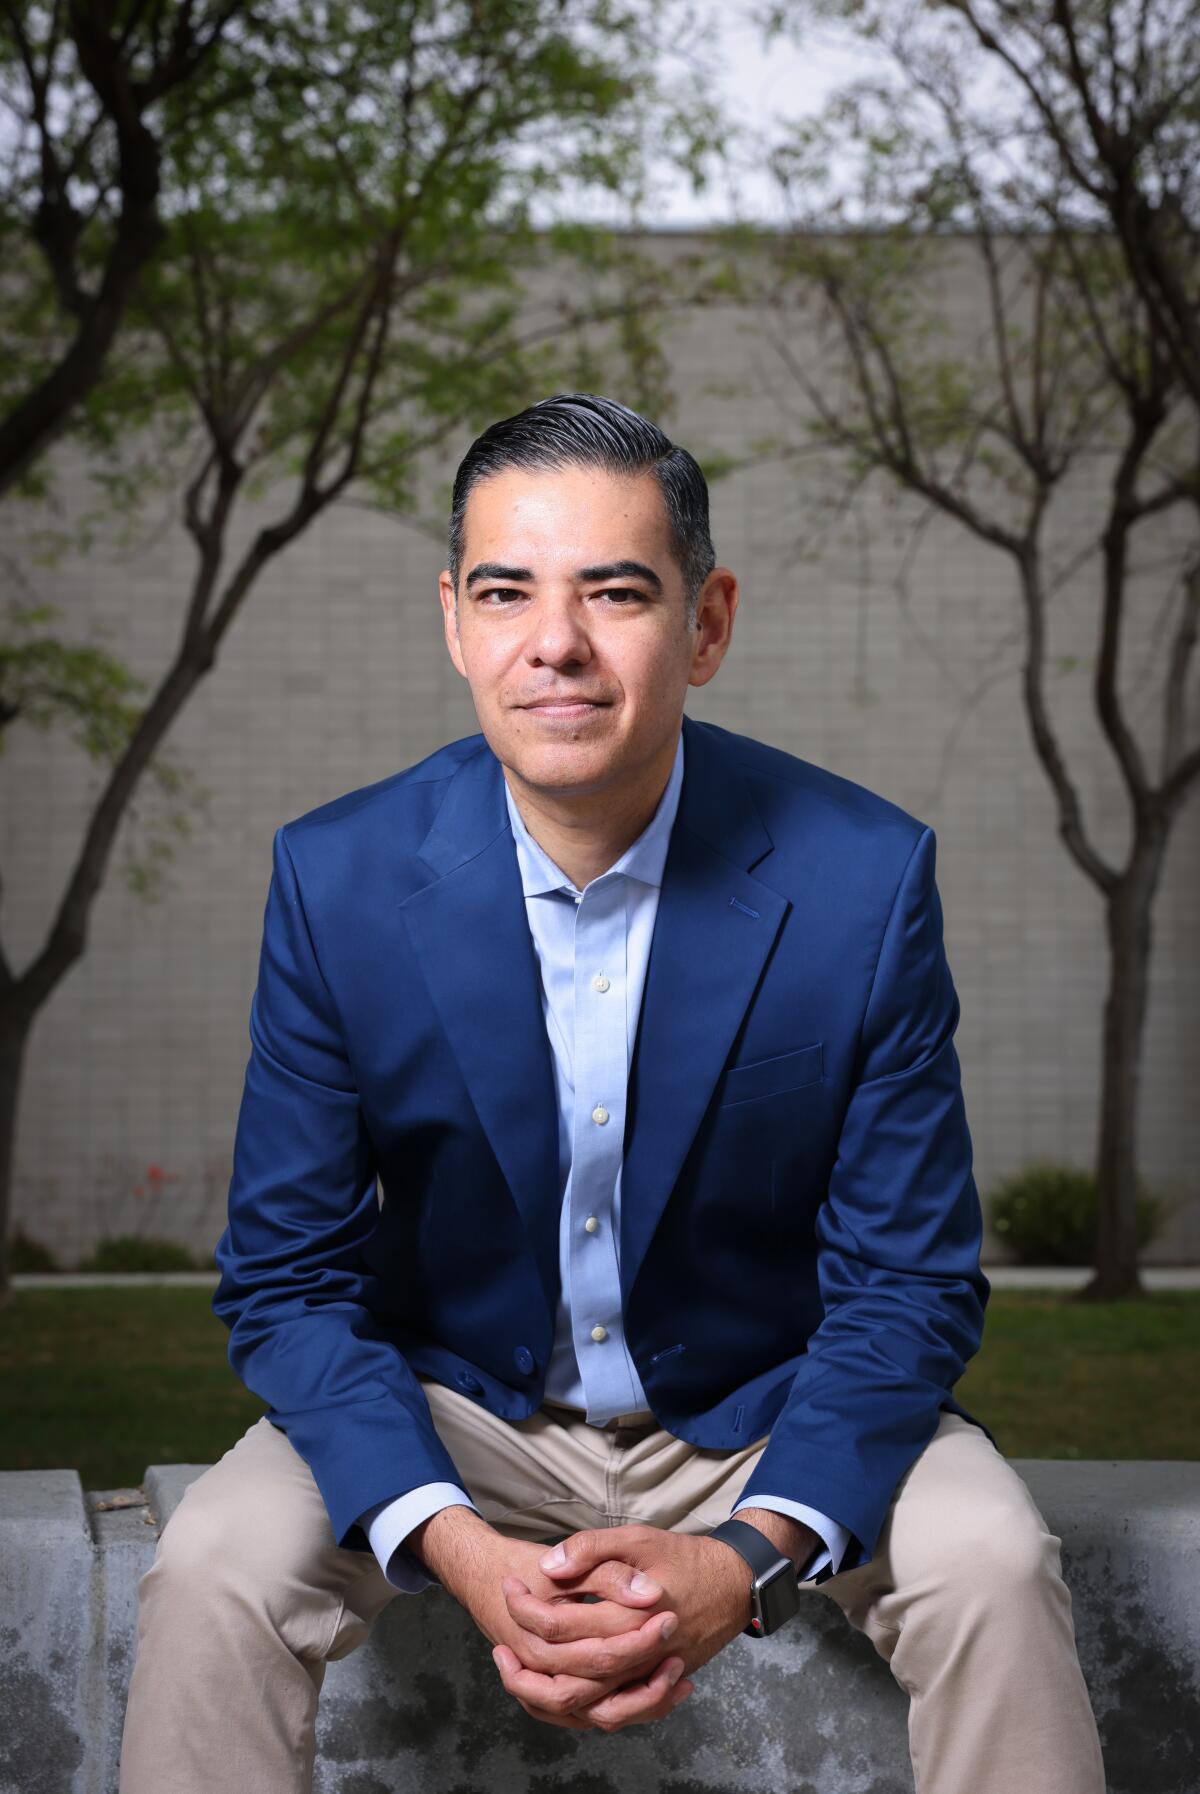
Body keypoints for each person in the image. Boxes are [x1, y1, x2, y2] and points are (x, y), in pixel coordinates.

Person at [119, 392, 1106, 1794]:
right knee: (215, 1563)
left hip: (770, 1396)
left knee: (995, 1563)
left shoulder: (860, 879)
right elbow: (286, 1281)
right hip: (453, 1398)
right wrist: (455, 1541)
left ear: (705, 624)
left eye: (617, 592)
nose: (557, 644)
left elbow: (909, 1284)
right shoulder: (335, 879)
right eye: (508, 592)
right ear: (454, 620)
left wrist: (745, 1556)